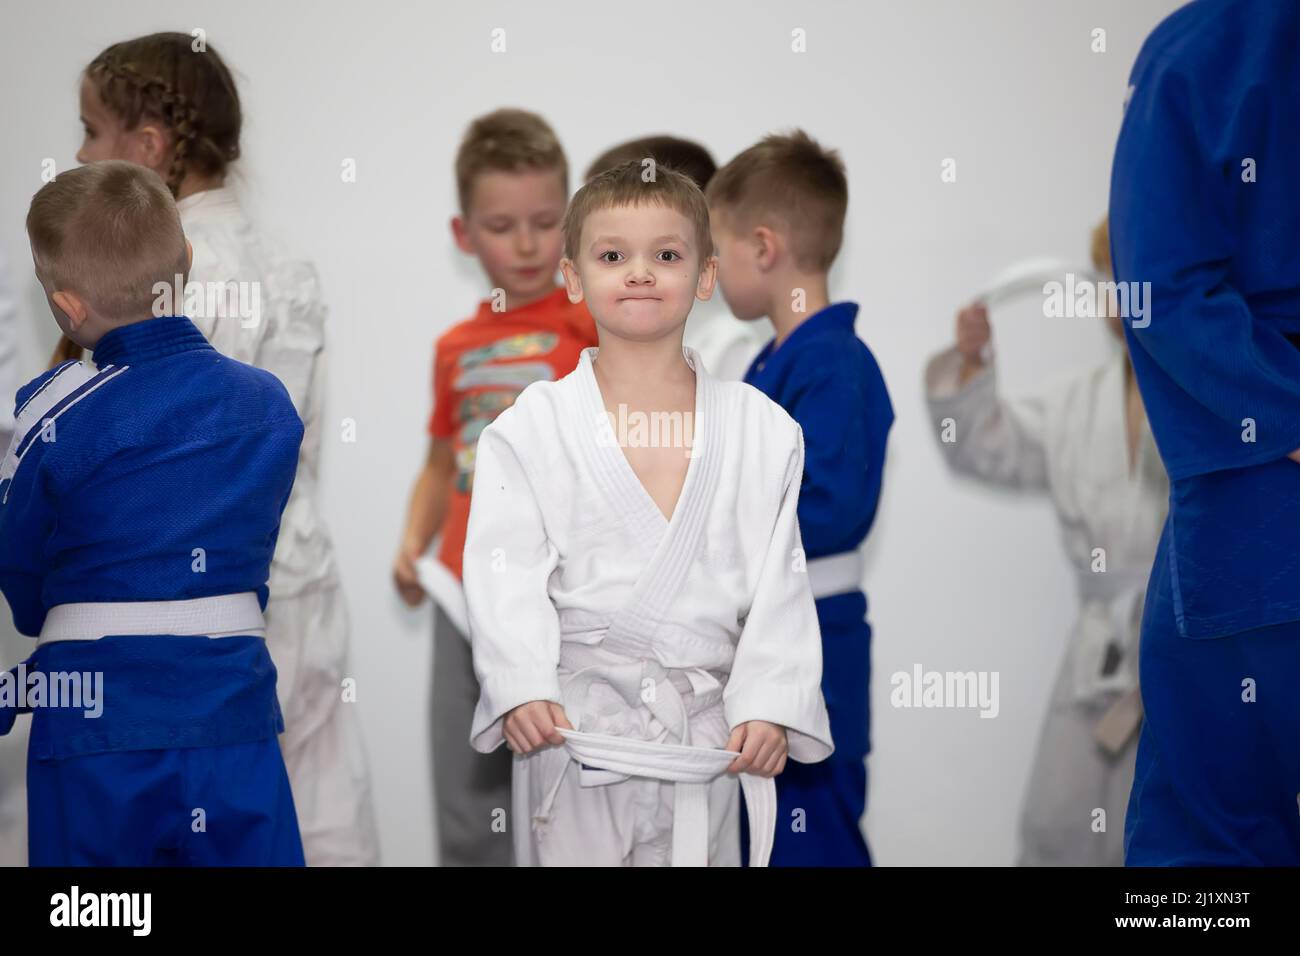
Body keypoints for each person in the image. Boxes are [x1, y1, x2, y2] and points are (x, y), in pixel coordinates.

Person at [463, 160, 833, 866]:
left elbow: (781, 587)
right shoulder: (531, 426)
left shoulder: (764, 430)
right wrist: (518, 685)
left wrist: (769, 702)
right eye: (612, 256)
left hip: (705, 737)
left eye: (665, 255)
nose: (639, 273)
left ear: (704, 276)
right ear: (574, 277)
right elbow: (501, 571)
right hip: (578, 735)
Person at [70, 32, 380, 865]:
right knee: (319, 793)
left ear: (148, 150)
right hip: (303, 569)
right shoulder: (286, 261)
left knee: (200, 812)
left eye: (92, 131)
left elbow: (169, 447)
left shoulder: (174, 276)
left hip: (212, 596)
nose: (78, 151)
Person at [1, 160, 304, 865]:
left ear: (69, 308)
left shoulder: (53, 412)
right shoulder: (267, 404)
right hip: (232, 710)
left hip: (92, 720)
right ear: (187, 260)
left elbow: (19, 561)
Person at [1110, 0, 1300, 865]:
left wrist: (1281, 406)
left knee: (1211, 842)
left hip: (1260, 497)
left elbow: (1162, 287)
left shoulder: (1211, 48)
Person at [924, 220, 1167, 865]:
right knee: (1059, 824)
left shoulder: (1213, 395)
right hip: (1103, 645)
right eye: (1107, 280)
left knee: (1172, 828)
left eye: (1134, 276)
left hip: (1191, 638)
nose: (1118, 296)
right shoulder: (1075, 404)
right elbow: (979, 446)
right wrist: (972, 365)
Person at [391, 108, 597, 865]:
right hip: (463, 587)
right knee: (469, 778)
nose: (526, 243)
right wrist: (412, 545)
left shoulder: (593, 322)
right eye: (502, 225)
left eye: (545, 221)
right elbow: (443, 460)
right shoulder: (455, 347)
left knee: (571, 777)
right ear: (463, 234)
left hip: (559, 585)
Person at [708, 130, 892, 866]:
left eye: (714, 252)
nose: (709, 272)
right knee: (765, 827)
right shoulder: (771, 360)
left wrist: (718, 528)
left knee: (813, 828)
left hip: (818, 633)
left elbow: (832, 508)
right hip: (771, 631)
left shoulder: (837, 364)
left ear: (762, 247)